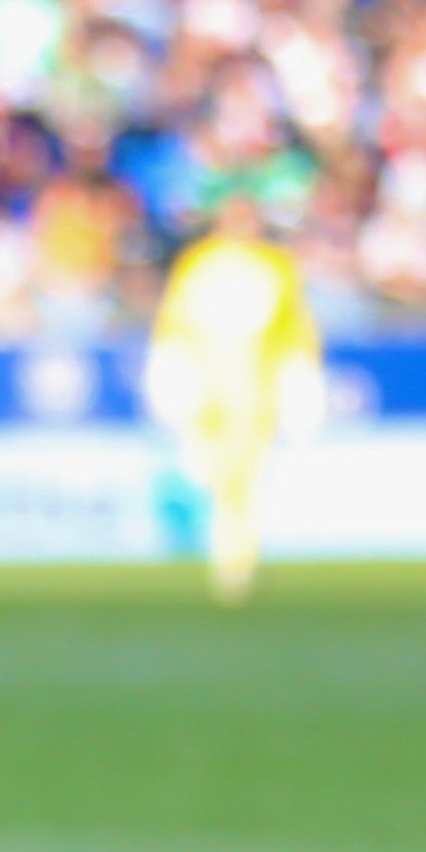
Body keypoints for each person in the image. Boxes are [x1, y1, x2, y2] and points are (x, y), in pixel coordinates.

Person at [146, 200, 321, 600]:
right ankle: (226, 552)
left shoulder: (275, 265)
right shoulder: (198, 263)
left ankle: (236, 559)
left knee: (244, 475)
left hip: (255, 389)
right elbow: (173, 325)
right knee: (212, 470)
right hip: (207, 387)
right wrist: (170, 376)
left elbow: (295, 329)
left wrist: (300, 380)